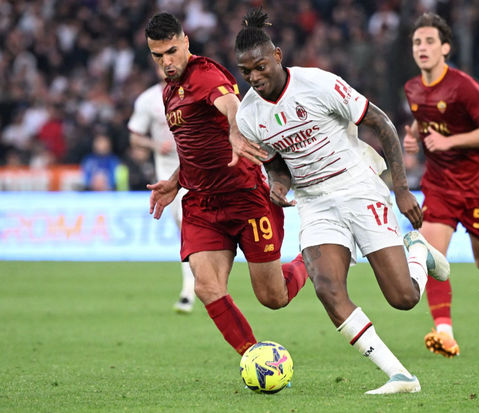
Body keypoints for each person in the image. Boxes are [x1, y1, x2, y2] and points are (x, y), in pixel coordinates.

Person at [234, 9, 449, 395]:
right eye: (245, 71)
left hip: (358, 188)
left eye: (260, 67)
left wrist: (401, 189)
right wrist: (278, 185)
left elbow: (381, 123)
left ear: (277, 56)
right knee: (327, 288)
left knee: (403, 298)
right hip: (314, 203)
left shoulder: (318, 84)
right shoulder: (249, 115)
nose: (254, 77)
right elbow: (277, 163)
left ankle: (417, 251)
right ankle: (400, 376)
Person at [144, 12, 308, 356]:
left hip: (244, 197)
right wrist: (175, 181)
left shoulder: (205, 74)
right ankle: (255, 357)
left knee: (273, 297)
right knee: (206, 286)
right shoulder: (169, 93)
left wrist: (236, 130)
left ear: (185, 41)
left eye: (172, 51)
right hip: (203, 204)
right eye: (158, 55)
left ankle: (311, 260)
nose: (166, 62)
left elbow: (232, 105)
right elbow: (198, 148)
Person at [402, 12, 479, 359]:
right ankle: (445, 333)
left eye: (429, 41)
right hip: (439, 186)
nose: (422, 47)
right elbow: (423, 118)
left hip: (476, 187)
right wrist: (413, 137)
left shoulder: (463, 87)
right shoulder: (412, 88)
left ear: (445, 48)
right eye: (417, 42)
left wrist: (450, 142)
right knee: (430, 255)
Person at [127, 65, 196, 313]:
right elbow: (135, 136)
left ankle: (190, 289)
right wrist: (155, 145)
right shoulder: (148, 100)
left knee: (190, 225)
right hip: (168, 173)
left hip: (197, 167)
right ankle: (193, 286)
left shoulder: (194, 91)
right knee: (185, 228)